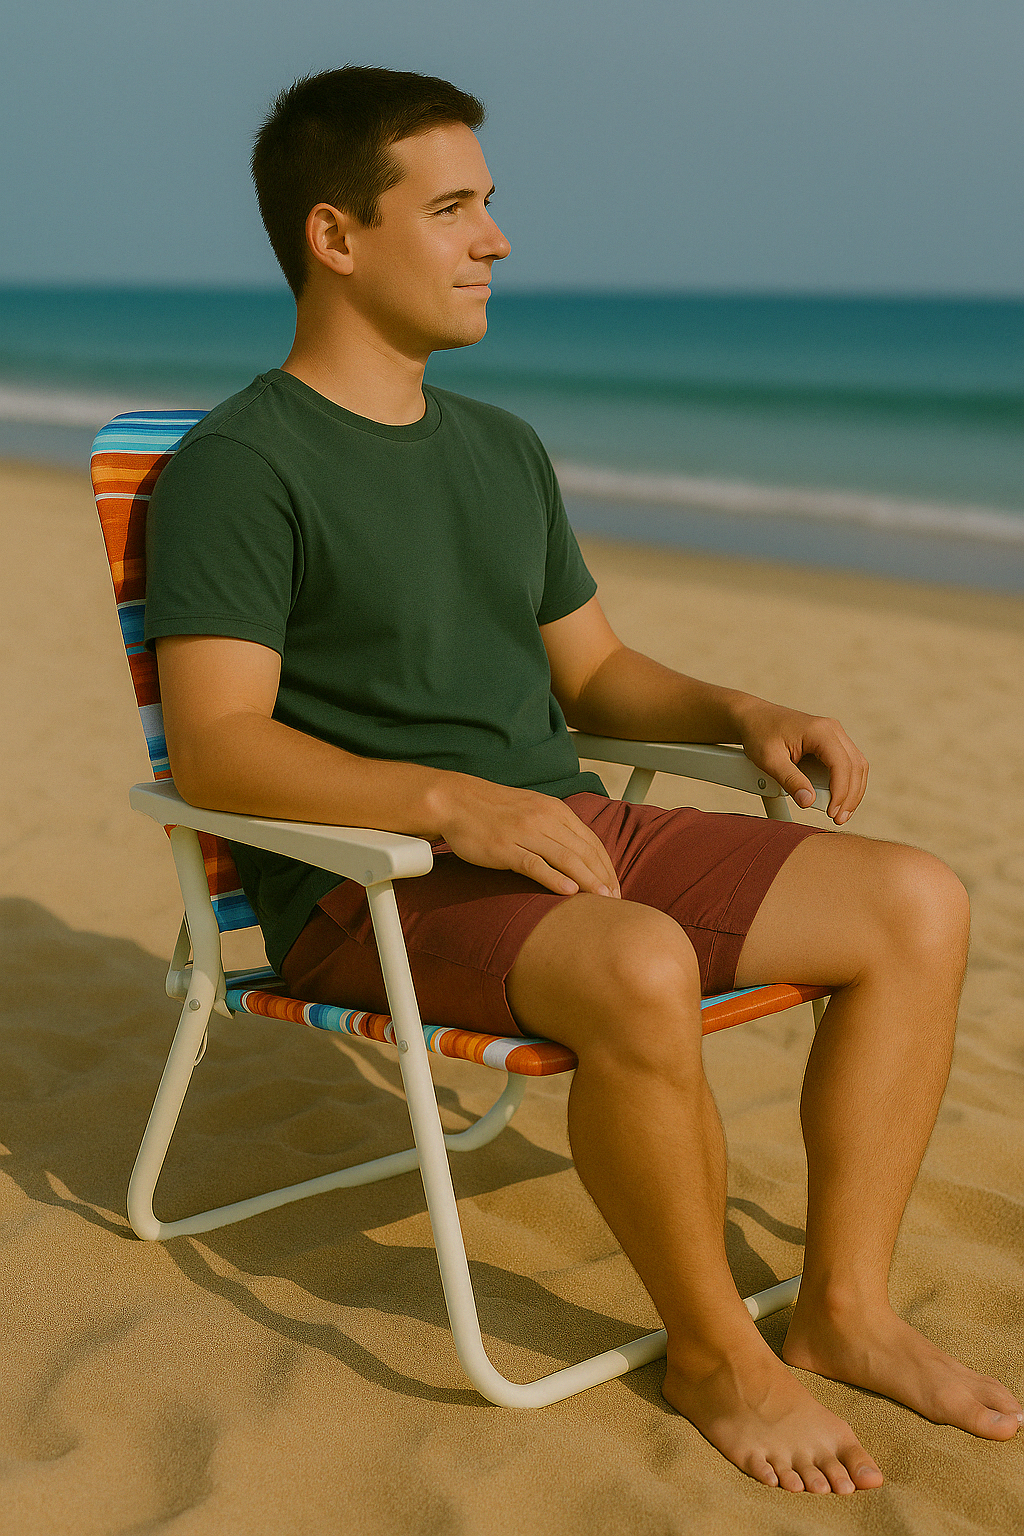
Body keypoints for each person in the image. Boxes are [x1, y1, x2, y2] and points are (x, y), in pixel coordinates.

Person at [144, 65, 1021, 1494]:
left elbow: (597, 676)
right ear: (336, 235)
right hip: (374, 886)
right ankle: (715, 1353)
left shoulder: (499, 448)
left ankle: (845, 1311)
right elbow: (221, 745)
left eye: (490, 204)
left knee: (916, 901)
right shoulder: (242, 466)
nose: (496, 238)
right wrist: (449, 803)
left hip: (559, 832)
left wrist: (741, 709)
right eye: (453, 207)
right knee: (639, 962)